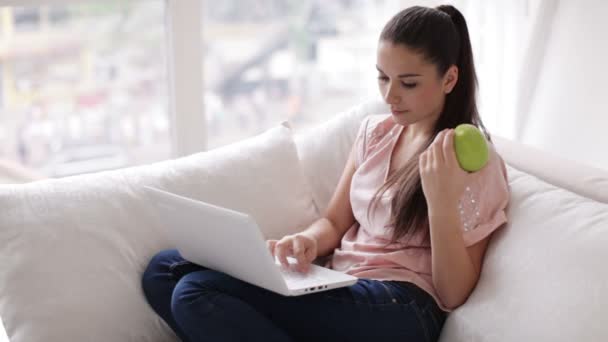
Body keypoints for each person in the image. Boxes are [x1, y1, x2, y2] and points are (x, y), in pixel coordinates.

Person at [141, 4, 510, 342]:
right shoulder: (374, 133)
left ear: (449, 79)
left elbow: (453, 293)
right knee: (164, 270)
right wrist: (307, 242)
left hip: (401, 305)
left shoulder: (471, 162)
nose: (390, 96)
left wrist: (441, 201)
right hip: (340, 284)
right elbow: (334, 223)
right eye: (383, 78)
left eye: (408, 83)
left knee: (194, 292)